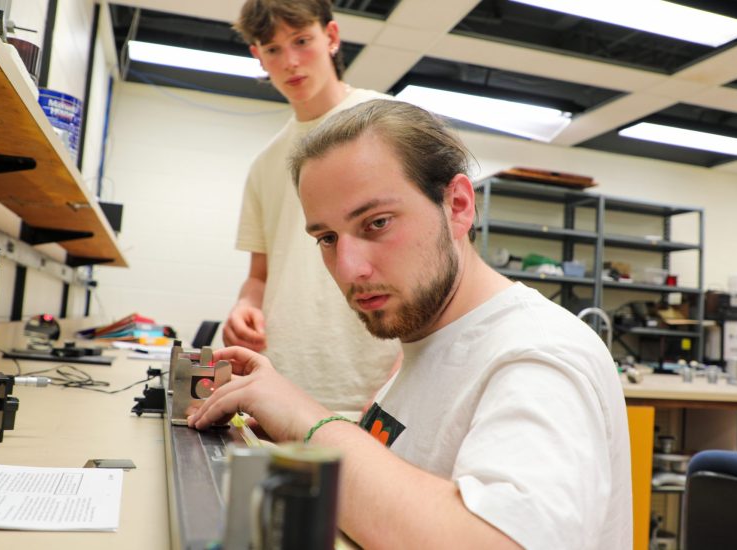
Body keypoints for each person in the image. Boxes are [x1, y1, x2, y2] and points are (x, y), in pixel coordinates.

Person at [190, 100, 633, 549]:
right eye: (327, 238)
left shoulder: (538, 355)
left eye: (376, 223)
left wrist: (307, 422)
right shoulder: (431, 341)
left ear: (457, 205)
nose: (348, 268)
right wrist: (279, 413)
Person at [224, 0, 400, 412]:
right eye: (273, 49)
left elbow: (441, 263)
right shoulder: (266, 164)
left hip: (375, 388)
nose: (291, 62)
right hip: (284, 384)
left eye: (302, 41)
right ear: (258, 56)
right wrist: (245, 305)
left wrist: (408, 374)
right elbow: (260, 277)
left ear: (332, 37)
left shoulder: (391, 124)